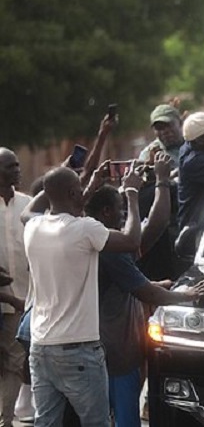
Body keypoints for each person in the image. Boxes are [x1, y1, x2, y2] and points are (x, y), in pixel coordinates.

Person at [85, 176, 204, 427]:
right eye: (120, 210)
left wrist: (154, 285)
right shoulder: (112, 249)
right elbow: (149, 294)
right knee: (125, 417)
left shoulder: (80, 242)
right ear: (106, 212)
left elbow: (124, 284)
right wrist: (186, 295)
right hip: (118, 354)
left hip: (94, 352)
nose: (124, 217)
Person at [21, 167, 143, 425]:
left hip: (41, 346)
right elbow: (132, 240)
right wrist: (131, 193)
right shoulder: (85, 230)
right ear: (74, 193)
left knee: (46, 422)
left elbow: (33, 209)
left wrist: (80, 185)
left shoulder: (33, 226)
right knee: (96, 422)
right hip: (79, 350)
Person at [0, 148, 29, 426]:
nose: (17, 170)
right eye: (10, 166)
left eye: (18, 165)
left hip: (21, 301)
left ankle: (5, 420)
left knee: (14, 363)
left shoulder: (28, 206)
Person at [138, 104, 184, 168]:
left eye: (169, 125)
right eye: (159, 128)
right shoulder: (148, 154)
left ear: (180, 123)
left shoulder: (195, 145)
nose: (165, 131)